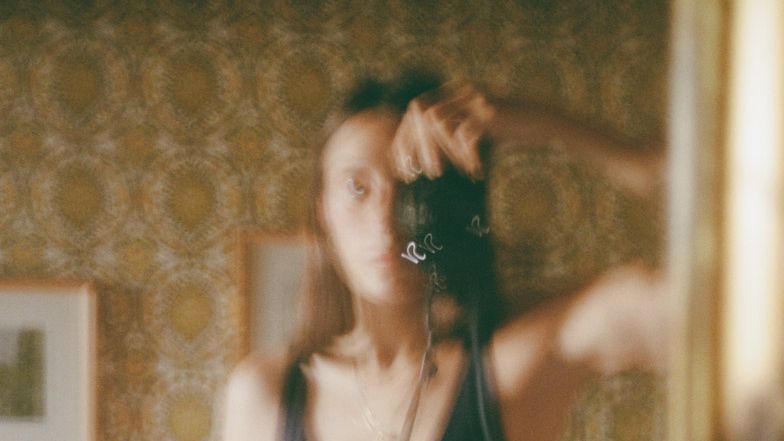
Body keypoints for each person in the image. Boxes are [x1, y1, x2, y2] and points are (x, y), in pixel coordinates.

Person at [221, 72, 669, 441]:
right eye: (357, 187)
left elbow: (697, 308)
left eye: (411, 185)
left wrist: (535, 125)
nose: (385, 219)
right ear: (323, 212)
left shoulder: (512, 362)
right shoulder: (265, 396)